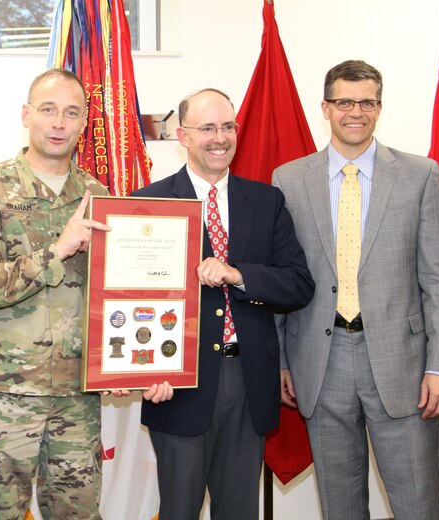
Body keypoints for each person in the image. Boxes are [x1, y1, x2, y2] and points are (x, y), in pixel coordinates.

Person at [272, 60, 439, 520]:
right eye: (344, 102)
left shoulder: (420, 175)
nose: (355, 112)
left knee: (418, 503)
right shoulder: (289, 180)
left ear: (379, 107)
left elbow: (438, 280)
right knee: (340, 507)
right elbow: (282, 277)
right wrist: (279, 360)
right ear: (326, 107)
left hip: (405, 368)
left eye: (366, 102)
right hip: (320, 364)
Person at [135, 88, 315, 519]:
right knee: (179, 510)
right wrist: (144, 367)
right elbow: (131, 300)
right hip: (177, 385)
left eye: (228, 126)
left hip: (248, 381)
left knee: (239, 512)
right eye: (208, 128)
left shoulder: (267, 201)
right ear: (182, 135)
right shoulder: (149, 203)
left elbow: (298, 284)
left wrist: (239, 274)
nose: (220, 137)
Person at [0, 68, 115, 519]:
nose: (59, 122)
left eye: (71, 112)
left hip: (76, 399)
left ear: (84, 123)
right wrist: (56, 252)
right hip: (3, 397)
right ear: (27, 115)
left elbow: (117, 294)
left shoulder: (98, 195)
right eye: (48, 110)